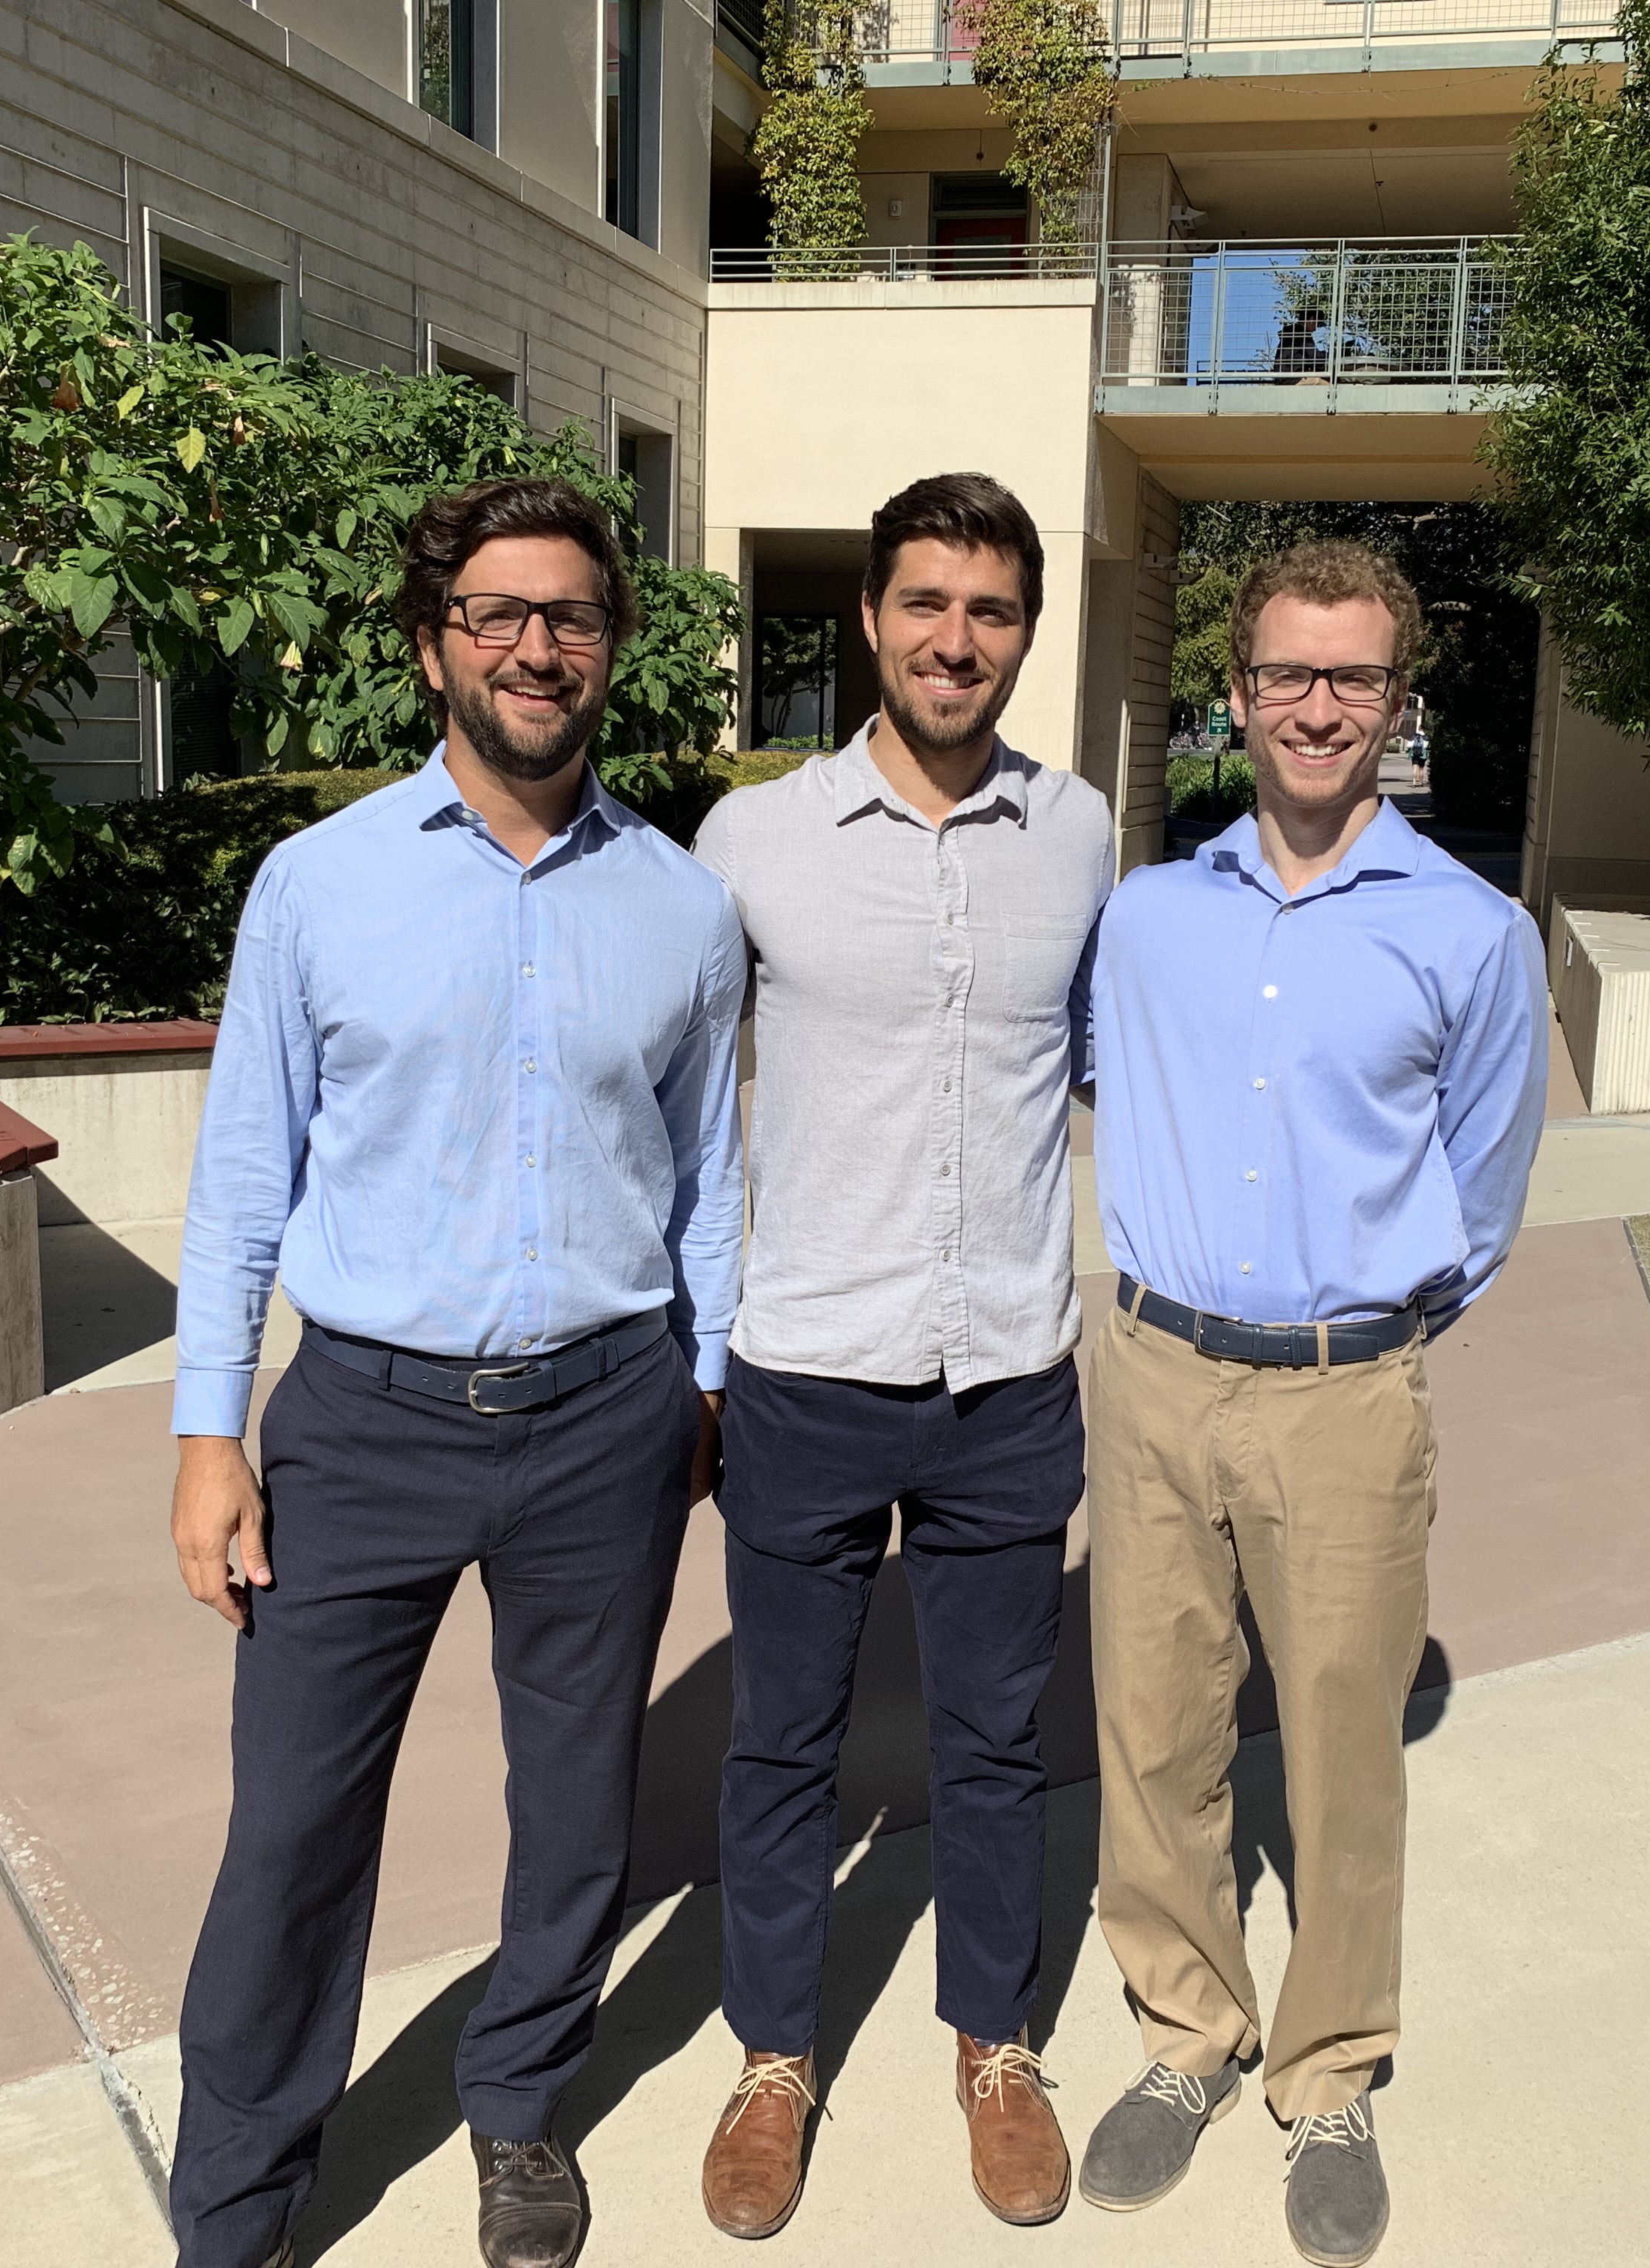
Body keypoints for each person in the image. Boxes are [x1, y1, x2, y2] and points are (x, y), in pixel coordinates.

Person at [162, 476, 746, 2268]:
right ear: (434, 648)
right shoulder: (319, 886)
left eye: (567, 614)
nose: (534, 646)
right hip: (362, 1424)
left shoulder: (684, 907)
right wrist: (208, 1431)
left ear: (610, 646)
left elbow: (712, 1171)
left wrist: (709, 1393)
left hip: (607, 1417)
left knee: (576, 1806)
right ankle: (243, 2202)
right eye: (495, 614)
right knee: (295, 1836)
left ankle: (517, 2106)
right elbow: (242, 1176)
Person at [1076, 539, 1547, 2268]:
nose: (1318, 706)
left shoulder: (1471, 936)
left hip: (1348, 1393)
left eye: (1354, 678)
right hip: (1146, 1372)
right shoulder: (1147, 916)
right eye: (1289, 674)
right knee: (1154, 1725)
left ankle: (1329, 2065)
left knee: (1345, 1752)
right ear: (1240, 691)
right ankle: (1186, 2031)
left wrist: (1383, 1326)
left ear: (1400, 705)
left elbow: (1485, 1187)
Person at [687, 472, 1114, 2240]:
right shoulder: (752, 841)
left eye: (992, 611)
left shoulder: (1082, 835)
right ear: (868, 621)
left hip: (1008, 1377)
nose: (958, 639)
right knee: (783, 1742)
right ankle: (774, 2058)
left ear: (1024, 630)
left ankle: (993, 2043)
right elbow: (693, 1115)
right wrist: (703, 1355)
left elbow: (1099, 1070)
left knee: (997, 1743)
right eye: (927, 603)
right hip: (805, 1371)